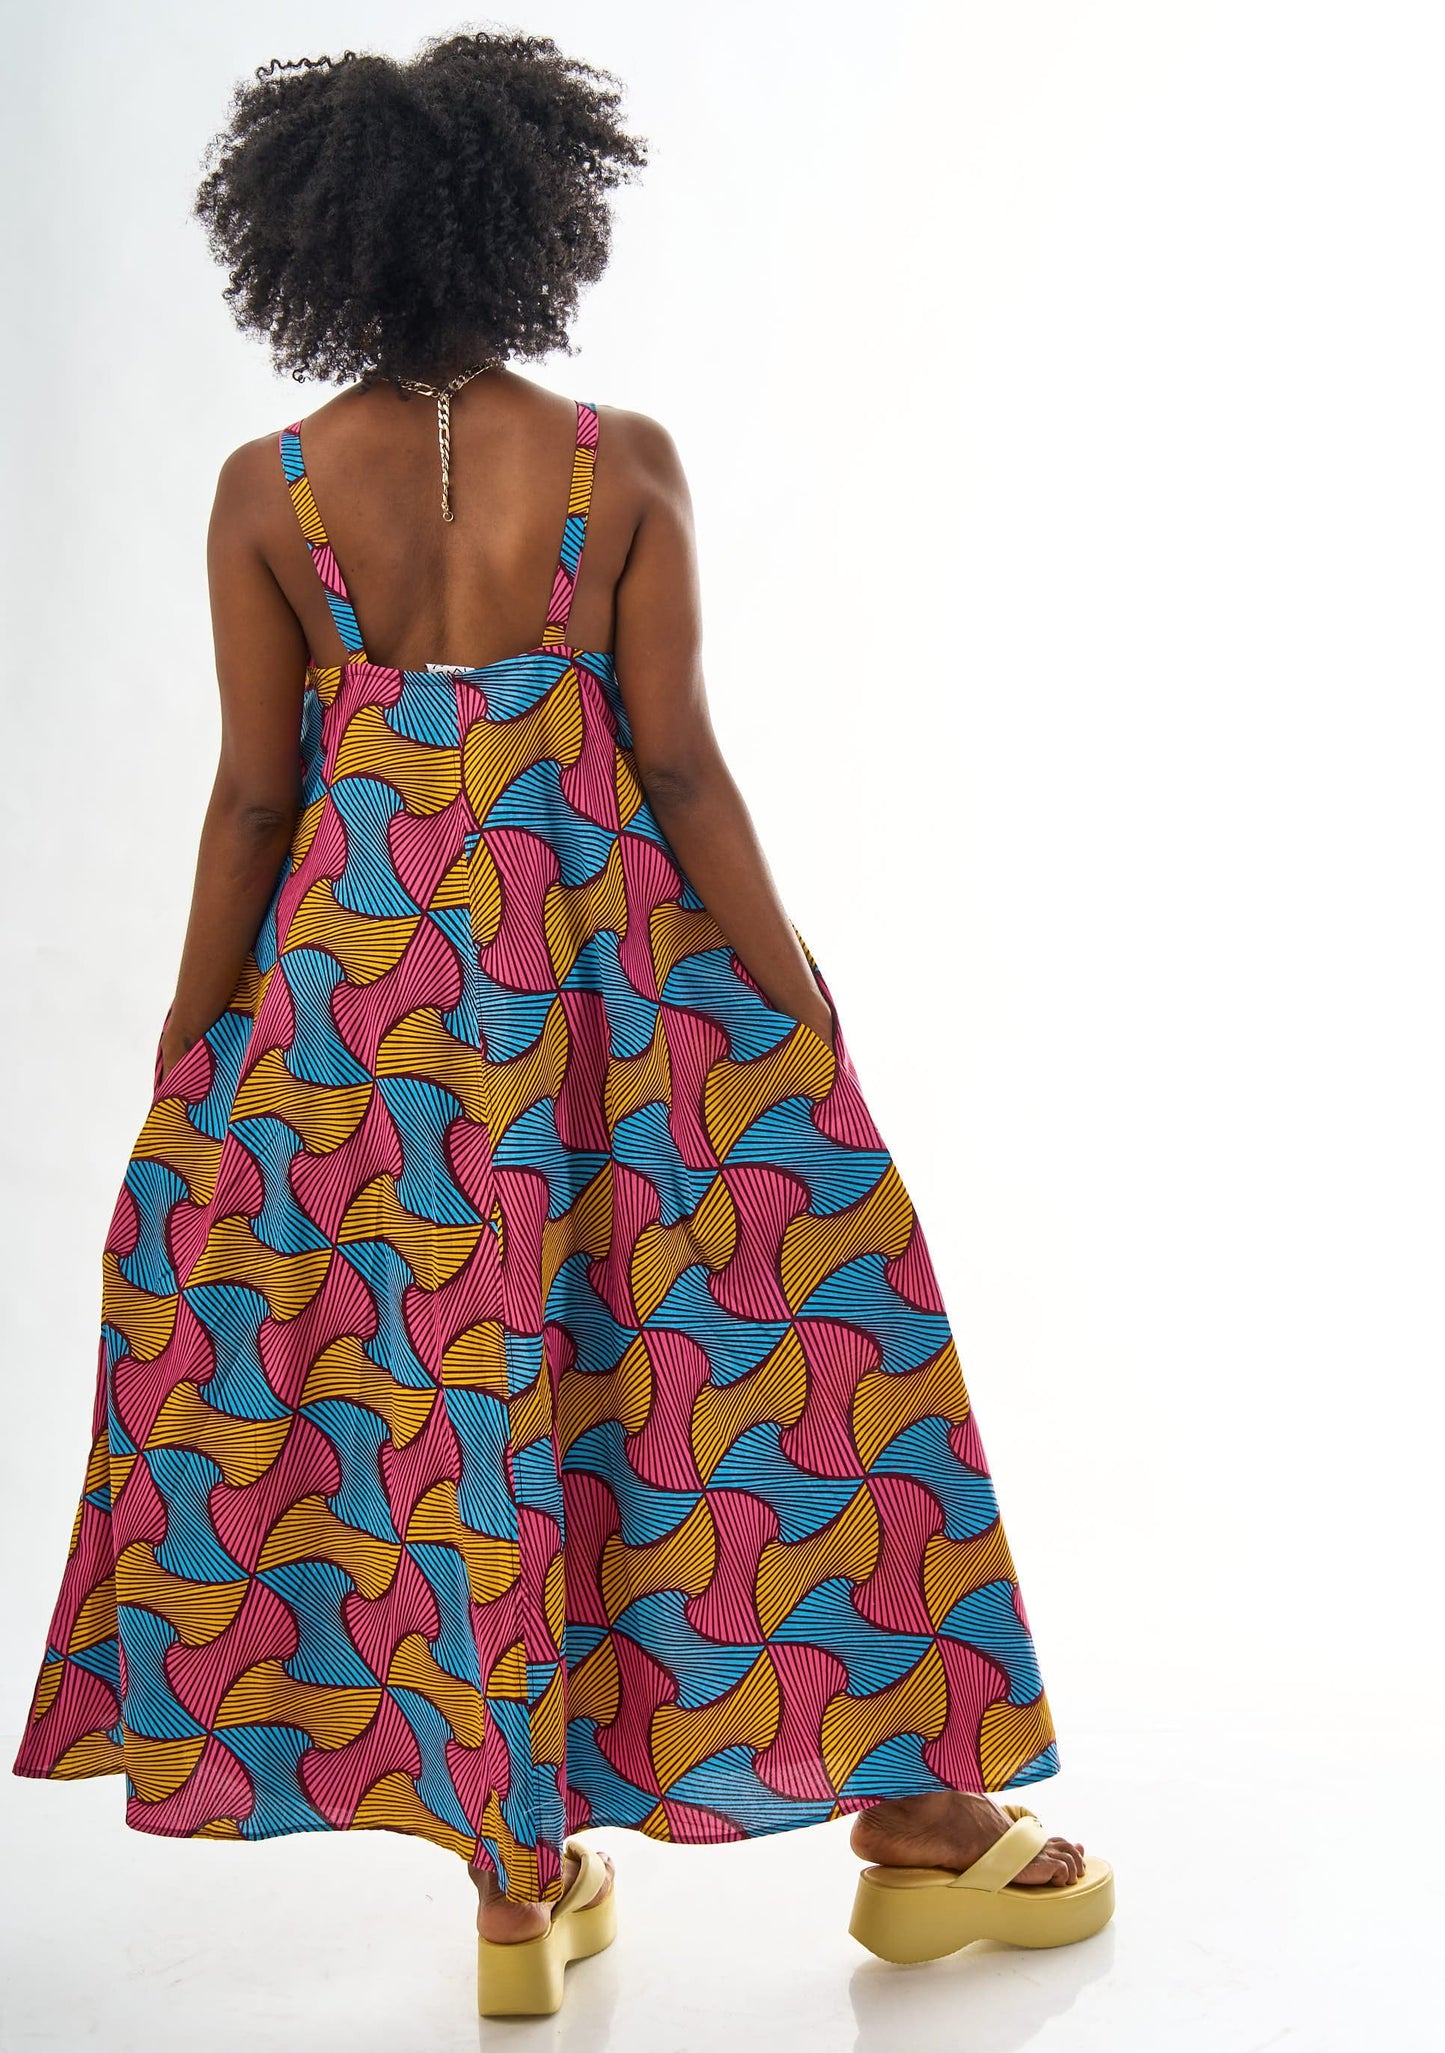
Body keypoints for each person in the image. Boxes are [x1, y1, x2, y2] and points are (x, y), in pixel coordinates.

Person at [11, 29, 1112, 2018]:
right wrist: (796, 999)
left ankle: (514, 1876)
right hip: (616, 996)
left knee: (444, 1386)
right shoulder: (618, 465)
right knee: (770, 1334)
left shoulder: (269, 491)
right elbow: (677, 763)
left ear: (314, 249)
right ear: (533, 220)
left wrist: (191, 1051)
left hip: (363, 1025)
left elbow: (254, 800)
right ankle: (920, 1819)